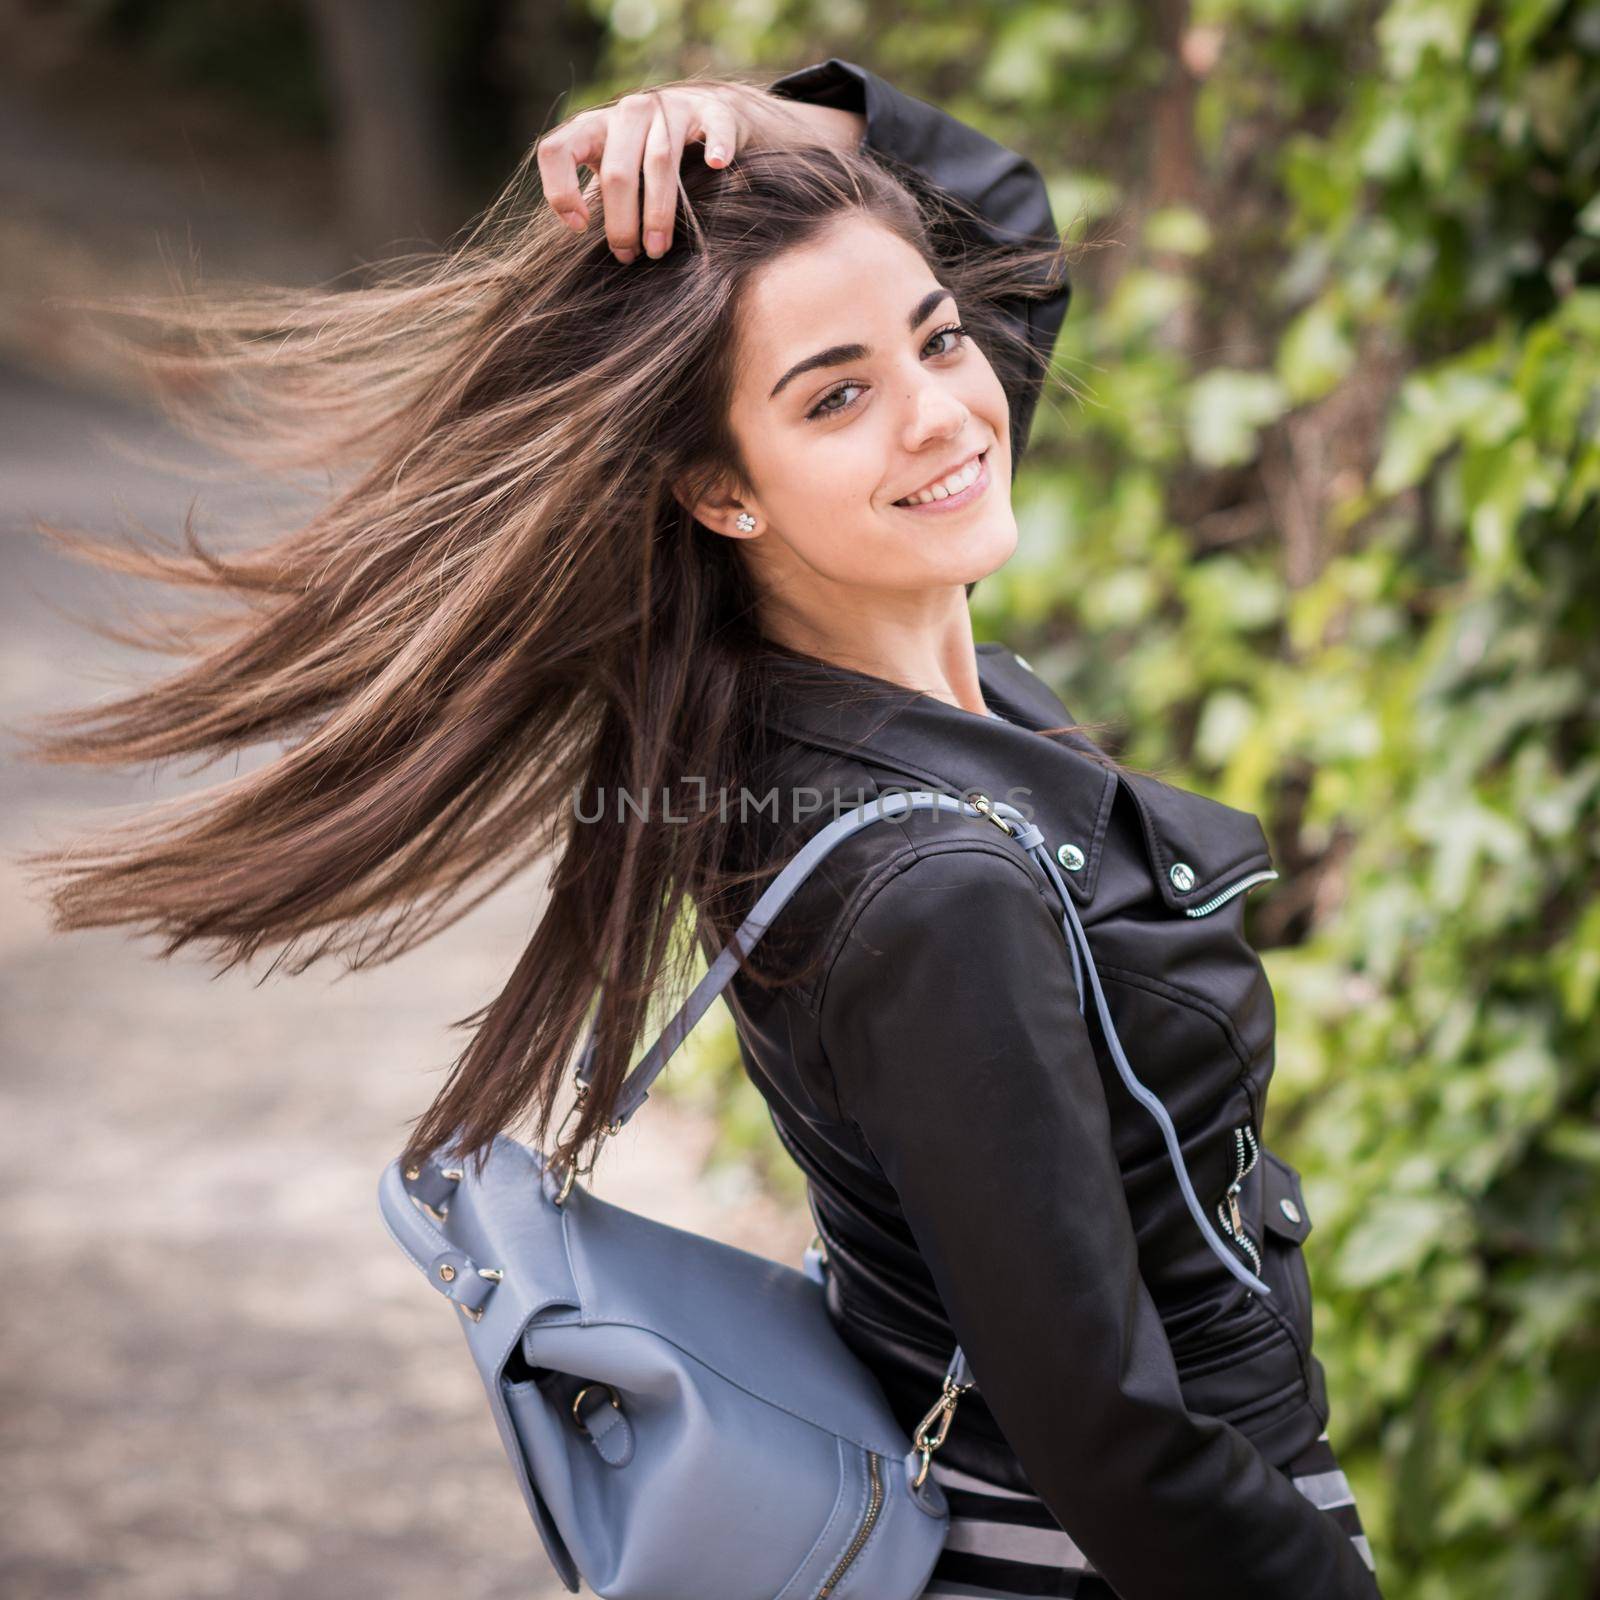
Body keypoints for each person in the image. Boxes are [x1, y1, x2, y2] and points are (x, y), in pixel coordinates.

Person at [17, 50, 1382, 1600]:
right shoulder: (931, 888)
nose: (944, 414)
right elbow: (1119, 1448)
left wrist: (758, 119)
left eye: (940, 339)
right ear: (723, 492)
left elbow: (1000, 220)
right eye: (840, 396)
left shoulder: (841, 666)